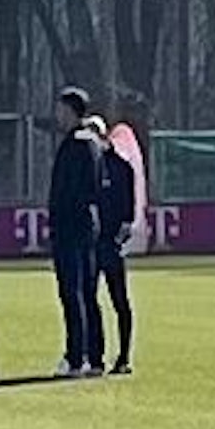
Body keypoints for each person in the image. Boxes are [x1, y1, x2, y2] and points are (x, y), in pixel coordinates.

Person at [48, 87, 106, 378]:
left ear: (71, 110)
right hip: (87, 225)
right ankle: (95, 357)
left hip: (70, 227)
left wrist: (58, 223)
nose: (57, 115)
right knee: (89, 292)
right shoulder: (93, 142)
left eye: (60, 109)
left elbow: (67, 191)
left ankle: (75, 357)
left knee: (72, 292)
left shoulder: (74, 144)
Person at [85, 115, 136, 375]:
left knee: (120, 301)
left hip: (111, 244)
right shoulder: (87, 166)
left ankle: (124, 356)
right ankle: (94, 357)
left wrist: (121, 235)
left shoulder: (121, 166)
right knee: (90, 300)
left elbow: (129, 211)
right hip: (90, 244)